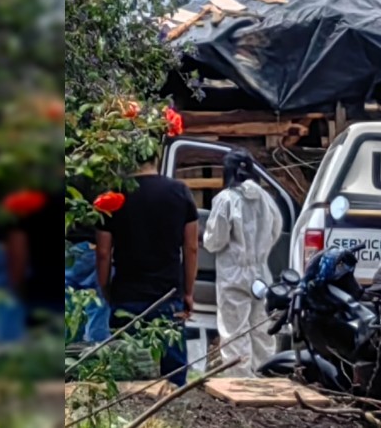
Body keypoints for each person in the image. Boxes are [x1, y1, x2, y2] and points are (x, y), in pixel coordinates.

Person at [96, 149, 198, 387]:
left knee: (126, 374)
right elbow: (191, 247)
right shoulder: (180, 192)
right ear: (157, 159)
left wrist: (106, 289)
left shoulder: (114, 196)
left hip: (126, 296)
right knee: (173, 380)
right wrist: (188, 292)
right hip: (168, 296)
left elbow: (102, 252)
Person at [203, 150, 282, 377]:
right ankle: (267, 378)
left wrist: (204, 238)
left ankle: (240, 382)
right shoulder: (265, 198)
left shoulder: (226, 199)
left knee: (234, 331)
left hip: (234, 274)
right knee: (262, 329)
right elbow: (276, 229)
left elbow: (215, 240)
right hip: (261, 272)